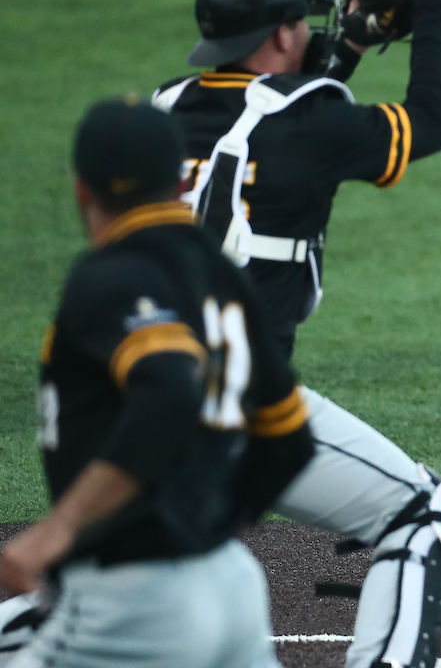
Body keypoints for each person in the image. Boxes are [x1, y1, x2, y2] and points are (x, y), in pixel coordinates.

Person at [150, 0, 441, 668]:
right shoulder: (310, 122)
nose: (309, 32)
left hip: (122, 394)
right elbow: (424, 124)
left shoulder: (162, 110)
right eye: (303, 22)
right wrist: (432, 5)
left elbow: (277, 114)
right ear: (278, 37)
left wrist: (356, 40)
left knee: (128, 585)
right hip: (234, 398)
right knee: (433, 517)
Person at [0, 98, 315, 668]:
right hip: (232, 584)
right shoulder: (225, 277)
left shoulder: (110, 274)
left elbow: (169, 388)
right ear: (179, 180)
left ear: (82, 189)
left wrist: (55, 532)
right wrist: (202, 524)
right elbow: (291, 439)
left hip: (132, 601)